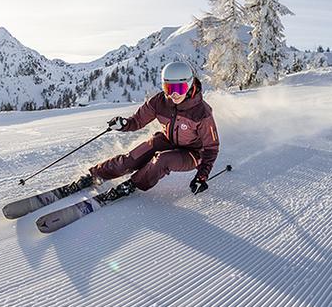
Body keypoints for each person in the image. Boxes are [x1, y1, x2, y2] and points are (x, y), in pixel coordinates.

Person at [69, 61, 220, 202]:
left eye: (179, 88)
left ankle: (133, 184)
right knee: (131, 159)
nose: (174, 94)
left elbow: (211, 148)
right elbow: (137, 121)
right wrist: (123, 124)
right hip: (167, 140)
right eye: (169, 88)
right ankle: (95, 175)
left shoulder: (202, 113)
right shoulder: (159, 102)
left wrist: (202, 176)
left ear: (189, 86)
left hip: (192, 153)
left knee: (161, 160)